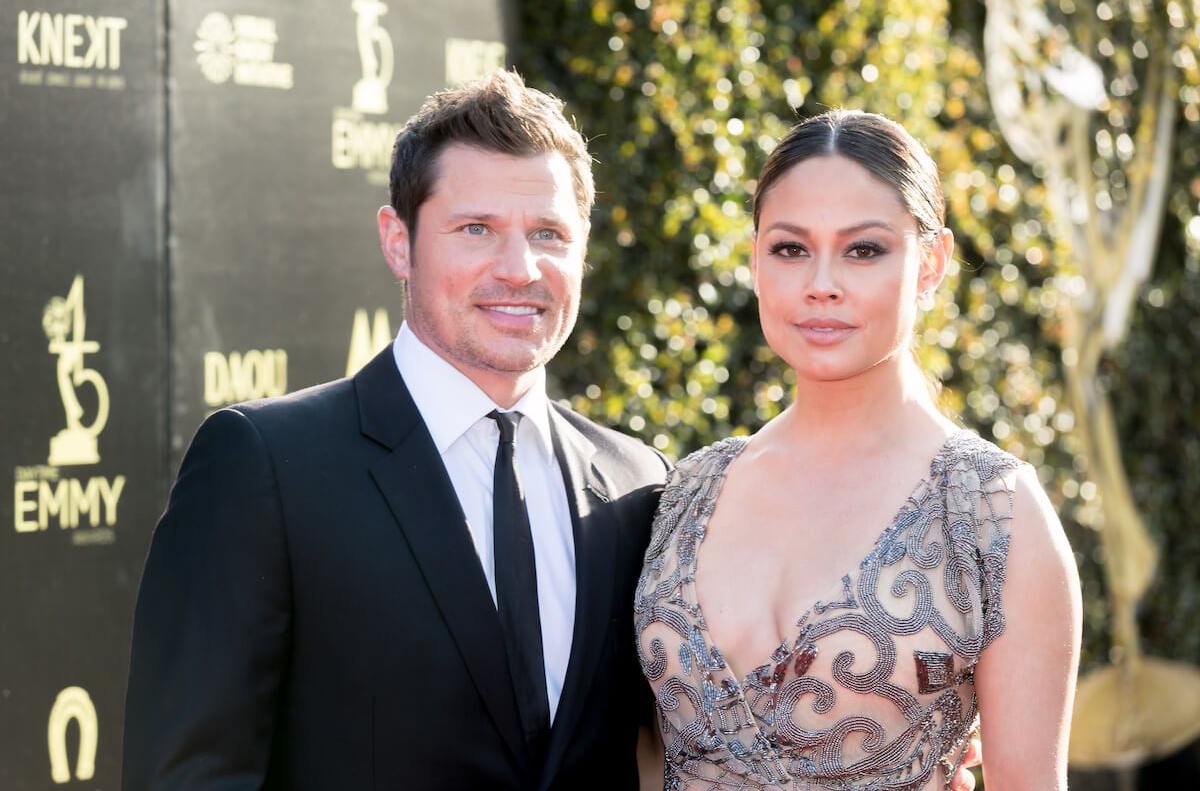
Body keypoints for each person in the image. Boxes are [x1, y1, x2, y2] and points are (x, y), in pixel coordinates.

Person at [121, 69, 670, 790]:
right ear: (399, 242)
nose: (520, 268)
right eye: (477, 229)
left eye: (549, 234)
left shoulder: (637, 484)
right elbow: (188, 775)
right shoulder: (268, 468)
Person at [634, 109, 1082, 790]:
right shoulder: (690, 490)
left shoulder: (994, 517)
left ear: (931, 264)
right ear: (755, 260)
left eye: (863, 250)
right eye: (790, 249)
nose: (822, 283)